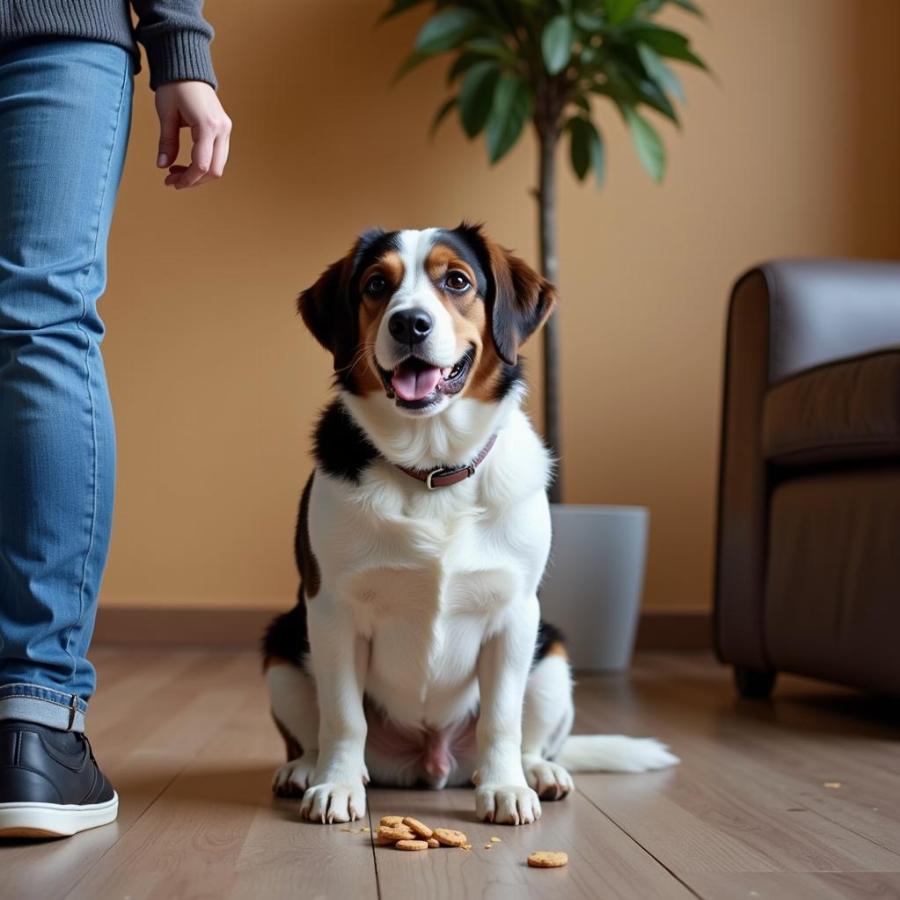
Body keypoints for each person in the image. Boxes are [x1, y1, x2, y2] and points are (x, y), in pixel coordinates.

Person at [0, 1, 231, 838]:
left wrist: (181, 43)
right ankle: (36, 725)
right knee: (40, 320)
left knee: (39, 319)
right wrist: (181, 46)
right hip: (51, 25)